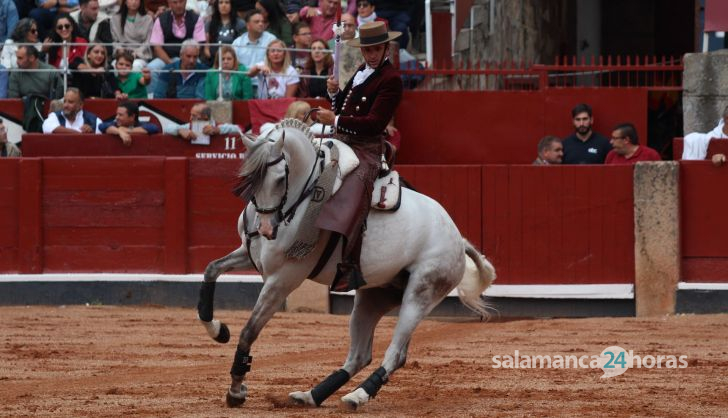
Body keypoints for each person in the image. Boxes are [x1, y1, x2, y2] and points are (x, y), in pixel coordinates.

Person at [315, 21, 403, 292]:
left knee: (354, 191)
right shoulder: (361, 72)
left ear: (386, 48)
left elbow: (375, 123)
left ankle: (350, 264)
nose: (371, 55)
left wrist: (336, 118)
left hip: (367, 148)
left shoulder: (391, 79)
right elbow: (343, 106)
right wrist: (334, 93)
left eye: (376, 49)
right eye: (367, 50)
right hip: (344, 140)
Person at [147, 0, 206, 94]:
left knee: (199, 67)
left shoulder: (196, 19)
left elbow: (198, 46)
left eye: (181, 2)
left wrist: (184, 61)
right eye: (175, 2)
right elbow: (157, 48)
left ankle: (196, 96)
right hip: (166, 58)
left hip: (189, 57)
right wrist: (172, 64)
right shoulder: (161, 19)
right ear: (169, 3)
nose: (178, 5)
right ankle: (152, 98)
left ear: (186, 2)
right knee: (151, 68)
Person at [232, 9, 276, 94]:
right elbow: (234, 65)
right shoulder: (237, 42)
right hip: (242, 84)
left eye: (262, 21)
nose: (261, 24)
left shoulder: (271, 40)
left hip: (264, 83)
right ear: (248, 25)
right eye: (257, 22)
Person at [110, 0, 154, 70]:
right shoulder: (115, 18)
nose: (134, 2)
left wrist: (137, 53)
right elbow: (114, 40)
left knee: (135, 66)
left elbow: (147, 41)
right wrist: (120, 50)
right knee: (114, 65)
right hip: (122, 54)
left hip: (140, 55)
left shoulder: (148, 19)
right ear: (125, 1)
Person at [163, 102, 242, 140]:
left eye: (194, 116)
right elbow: (166, 128)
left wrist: (218, 130)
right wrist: (179, 130)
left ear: (205, 117)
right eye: (191, 115)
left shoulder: (217, 126)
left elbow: (240, 129)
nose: (190, 118)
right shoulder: (188, 127)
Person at [204, 0, 245, 65]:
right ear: (217, 5)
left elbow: (243, 46)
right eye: (221, 2)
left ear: (231, 5)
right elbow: (206, 50)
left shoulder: (240, 24)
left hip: (234, 61)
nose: (224, 5)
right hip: (214, 61)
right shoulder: (209, 24)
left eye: (227, 2)